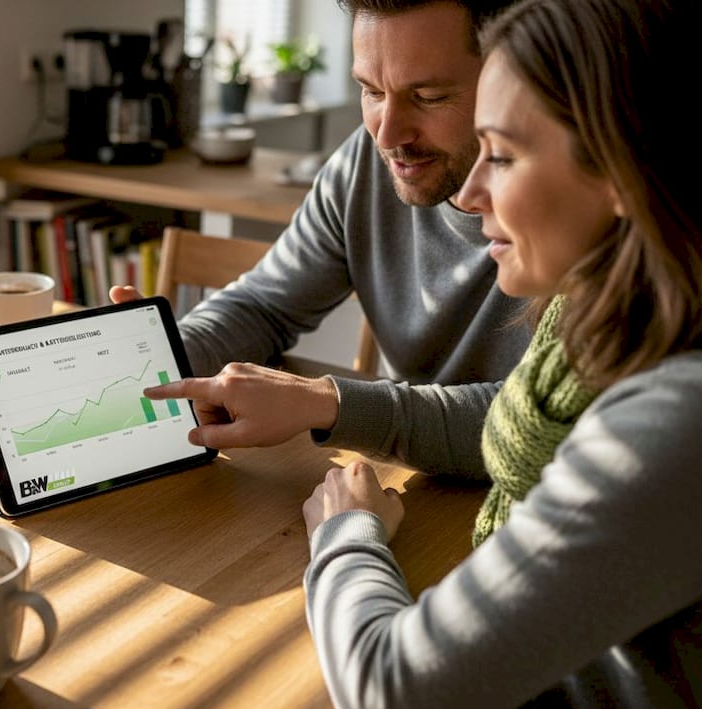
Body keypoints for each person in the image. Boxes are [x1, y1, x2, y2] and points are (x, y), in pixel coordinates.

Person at [302, 0, 702, 709]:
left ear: (625, 166)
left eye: (503, 153)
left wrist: (344, 537)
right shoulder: (625, 328)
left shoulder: (693, 417)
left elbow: (388, 691)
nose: (468, 193)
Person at [114, 0, 530, 454]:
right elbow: (263, 306)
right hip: (415, 484)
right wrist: (169, 361)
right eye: (371, 92)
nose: (387, 136)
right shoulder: (364, 166)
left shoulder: (579, 208)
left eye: (428, 97)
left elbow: (544, 423)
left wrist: (328, 404)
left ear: (511, 79)